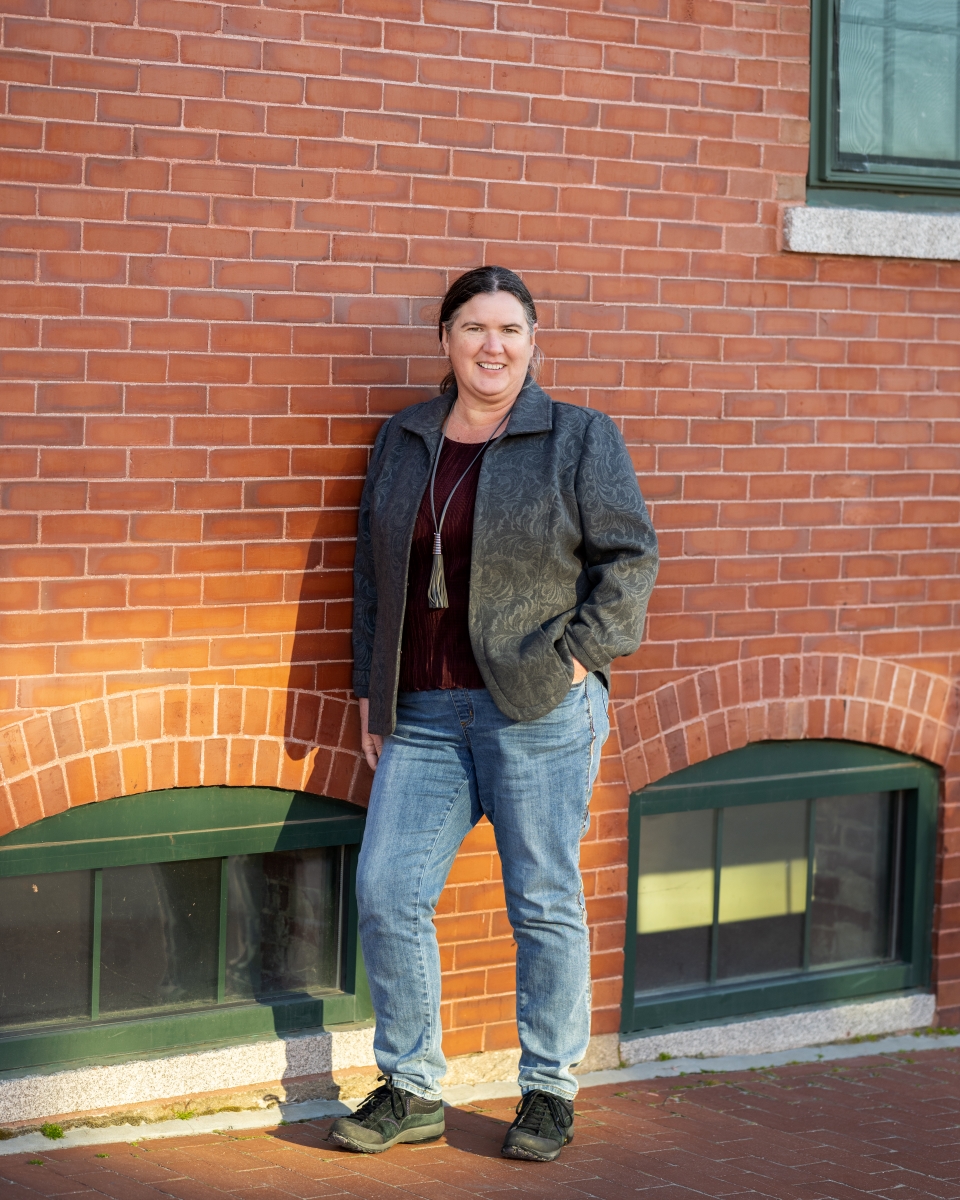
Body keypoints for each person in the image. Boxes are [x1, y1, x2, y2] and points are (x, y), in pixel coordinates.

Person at [330, 265, 658, 1162]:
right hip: (426, 709)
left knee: (543, 900)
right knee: (388, 890)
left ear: (533, 342)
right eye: (474, 327)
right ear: (445, 340)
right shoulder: (403, 439)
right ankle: (410, 1084)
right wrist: (374, 688)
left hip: (537, 708)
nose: (492, 345)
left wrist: (580, 658)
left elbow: (629, 558)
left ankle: (549, 1089)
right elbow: (372, 575)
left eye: (510, 329)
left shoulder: (578, 438)